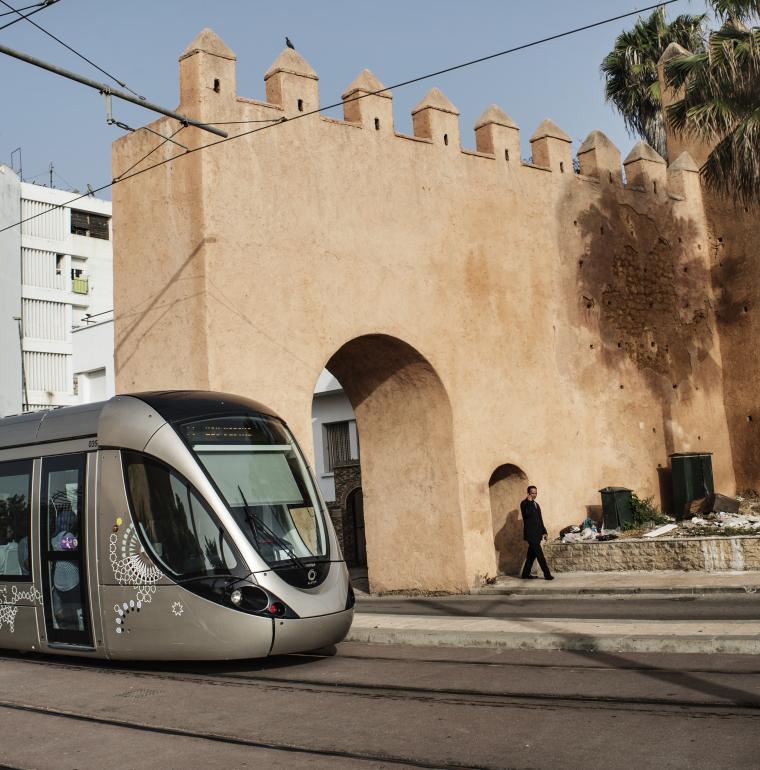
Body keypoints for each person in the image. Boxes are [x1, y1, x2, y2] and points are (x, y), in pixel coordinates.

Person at [519, 485, 554, 580]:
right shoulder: (524, 504)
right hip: (531, 535)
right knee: (540, 555)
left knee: (531, 556)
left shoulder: (536, 504)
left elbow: (540, 520)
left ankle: (525, 574)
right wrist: (529, 502)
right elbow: (527, 515)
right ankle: (547, 574)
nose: (534, 495)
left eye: (536, 493)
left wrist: (544, 531)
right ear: (528, 493)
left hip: (538, 534)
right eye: (532, 493)